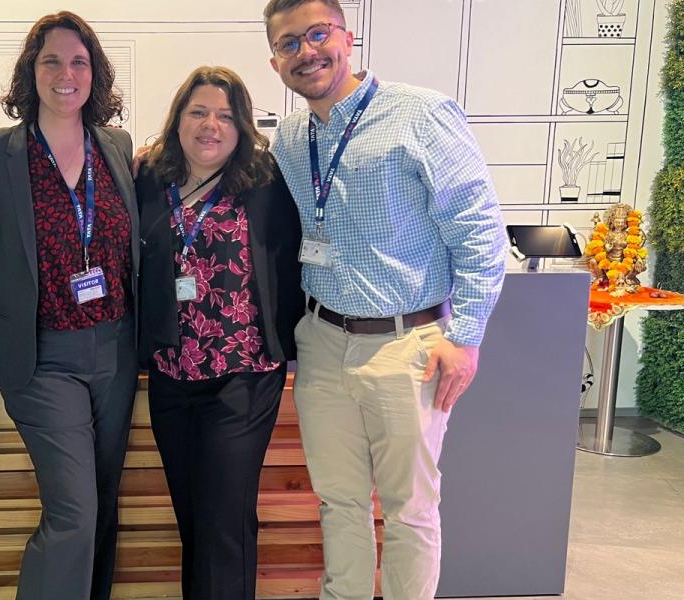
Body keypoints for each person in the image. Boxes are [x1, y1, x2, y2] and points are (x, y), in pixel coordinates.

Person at [263, 1, 508, 599]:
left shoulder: (420, 115)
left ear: (348, 36)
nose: (307, 52)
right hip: (321, 343)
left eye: (318, 34)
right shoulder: (292, 137)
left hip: (409, 345)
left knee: (410, 511)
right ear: (275, 61)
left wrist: (466, 337)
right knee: (339, 502)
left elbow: (479, 230)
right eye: (290, 43)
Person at [0, 11, 138, 600]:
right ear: (30, 72)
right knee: (74, 512)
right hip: (40, 356)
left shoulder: (116, 146)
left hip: (114, 346)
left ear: (95, 73)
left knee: (103, 506)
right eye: (51, 60)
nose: (66, 73)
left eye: (79, 61)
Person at [135, 66, 304, 600]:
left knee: (224, 519)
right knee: (194, 519)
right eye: (199, 112)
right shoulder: (147, 179)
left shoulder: (265, 182)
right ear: (178, 119)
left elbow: (298, 260)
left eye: (227, 116)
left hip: (243, 377)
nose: (212, 126)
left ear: (243, 126)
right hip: (171, 375)